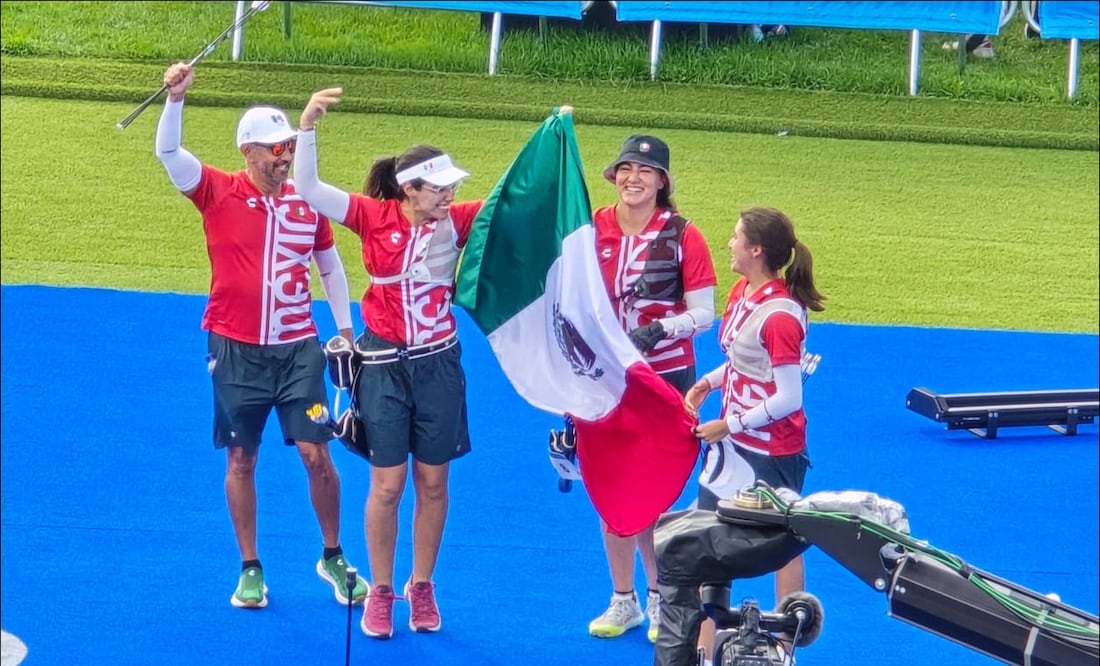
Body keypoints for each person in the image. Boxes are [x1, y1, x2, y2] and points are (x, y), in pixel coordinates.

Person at [153, 63, 368, 610]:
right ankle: (250, 566)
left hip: (300, 350)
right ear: (247, 150)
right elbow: (169, 156)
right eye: (273, 147)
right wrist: (175, 99)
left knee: (319, 456)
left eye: (288, 145)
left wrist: (345, 331)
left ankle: (333, 554)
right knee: (241, 460)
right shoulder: (217, 191)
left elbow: (331, 267)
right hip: (233, 349)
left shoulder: (307, 201)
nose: (283, 154)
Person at [292, 87, 482, 639]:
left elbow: (519, 204)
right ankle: (381, 590)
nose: (450, 194)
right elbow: (308, 188)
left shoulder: (461, 219)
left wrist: (553, 146)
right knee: (387, 485)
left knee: (434, 482)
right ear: (410, 189)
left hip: (439, 364)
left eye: (452, 186)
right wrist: (308, 124)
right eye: (440, 186)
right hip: (382, 366)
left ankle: (421, 586)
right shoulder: (371, 216)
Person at [587, 135, 718, 643]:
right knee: (610, 484)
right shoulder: (591, 226)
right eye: (625, 169)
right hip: (605, 376)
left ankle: (662, 595)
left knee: (658, 490)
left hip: (664, 378)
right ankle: (624, 600)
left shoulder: (685, 234)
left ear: (662, 181)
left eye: (644, 171)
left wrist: (660, 330)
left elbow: (704, 314)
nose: (632, 178)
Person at [685, 206, 825, 664]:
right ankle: (703, 650)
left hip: (771, 450)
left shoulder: (781, 316)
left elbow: (789, 397)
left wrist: (730, 423)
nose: (729, 243)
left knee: (780, 546)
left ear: (756, 249)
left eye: (736, 237)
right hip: (734, 445)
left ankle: (786, 645)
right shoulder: (744, 292)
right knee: (706, 541)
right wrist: (709, 382)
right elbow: (745, 361)